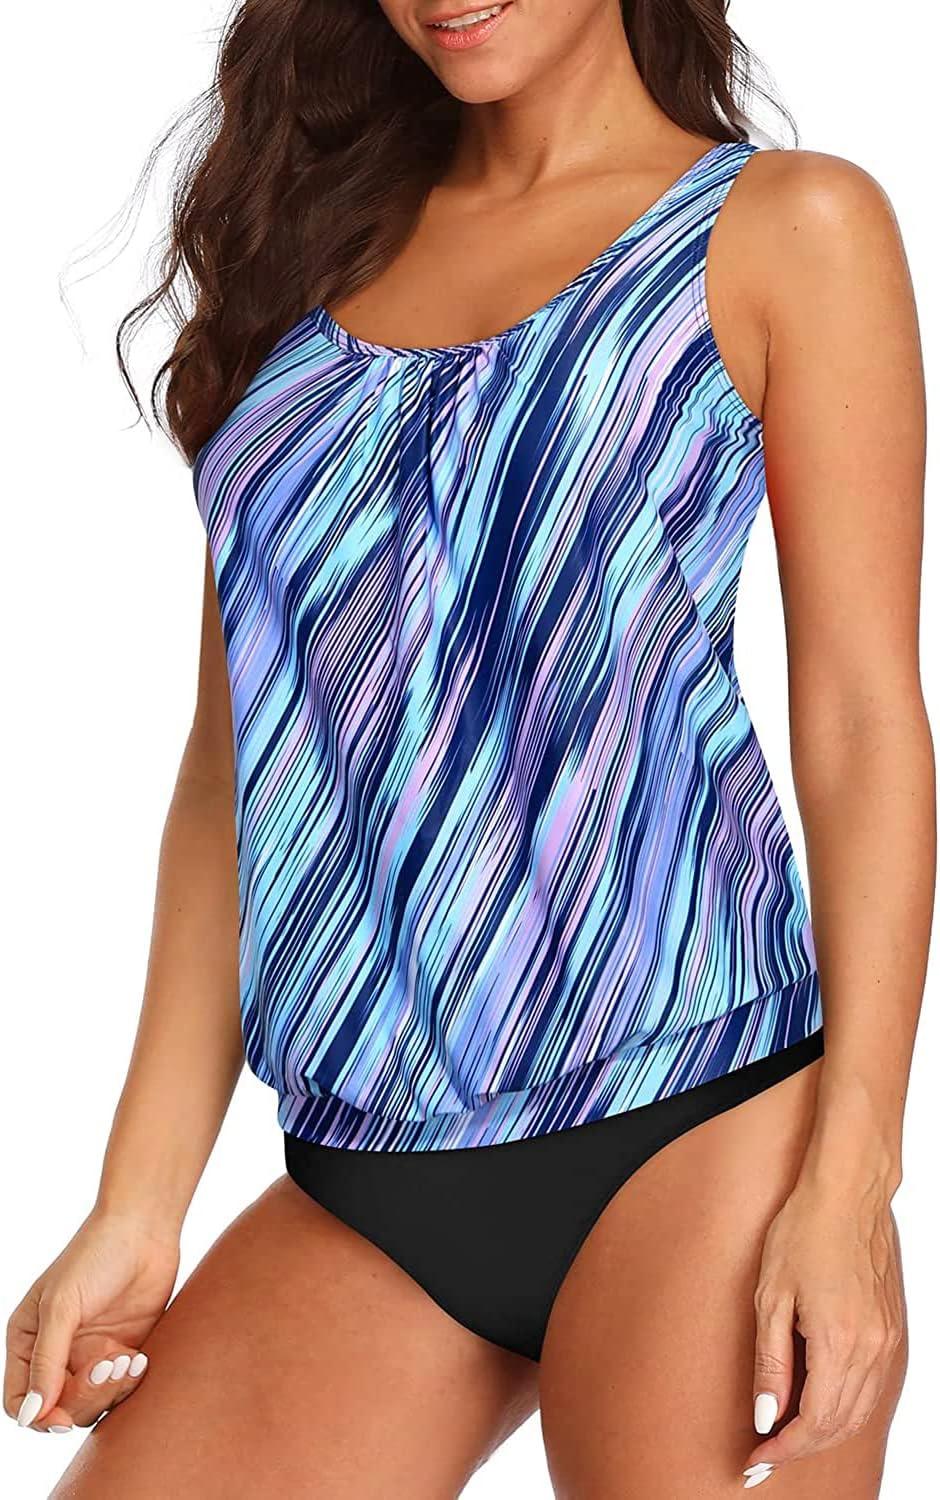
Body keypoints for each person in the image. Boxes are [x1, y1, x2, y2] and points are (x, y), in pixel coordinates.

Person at [5, 3, 932, 1496]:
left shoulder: (783, 229)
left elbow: (862, 722)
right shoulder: (303, 255)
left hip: (698, 1120)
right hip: (368, 1167)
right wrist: (138, 1203)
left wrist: (851, 1180)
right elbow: (230, 772)